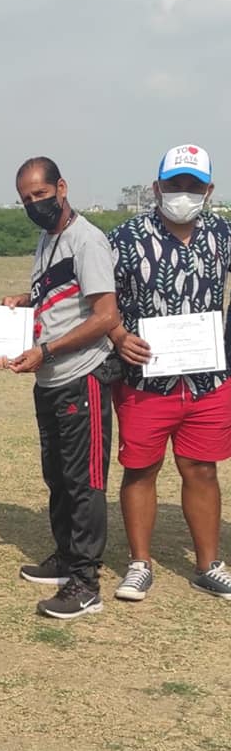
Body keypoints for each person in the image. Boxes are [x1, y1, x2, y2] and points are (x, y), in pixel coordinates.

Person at [107, 145, 231, 602]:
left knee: (202, 469)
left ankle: (208, 565)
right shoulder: (125, 237)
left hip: (207, 381)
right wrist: (119, 335)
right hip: (144, 379)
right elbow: (99, 298)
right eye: (174, 184)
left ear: (209, 190)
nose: (183, 192)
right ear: (156, 187)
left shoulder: (223, 233)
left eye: (193, 185)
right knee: (141, 469)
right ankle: (140, 563)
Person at [0, 157, 119, 619]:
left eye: (41, 195)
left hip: (80, 376)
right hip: (49, 379)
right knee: (58, 475)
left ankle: (85, 582)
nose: (34, 204)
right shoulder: (48, 238)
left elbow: (104, 316)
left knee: (84, 481)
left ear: (62, 188)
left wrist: (46, 351)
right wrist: (27, 299)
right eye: (26, 199)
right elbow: (63, 292)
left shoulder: (87, 240)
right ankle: (66, 557)